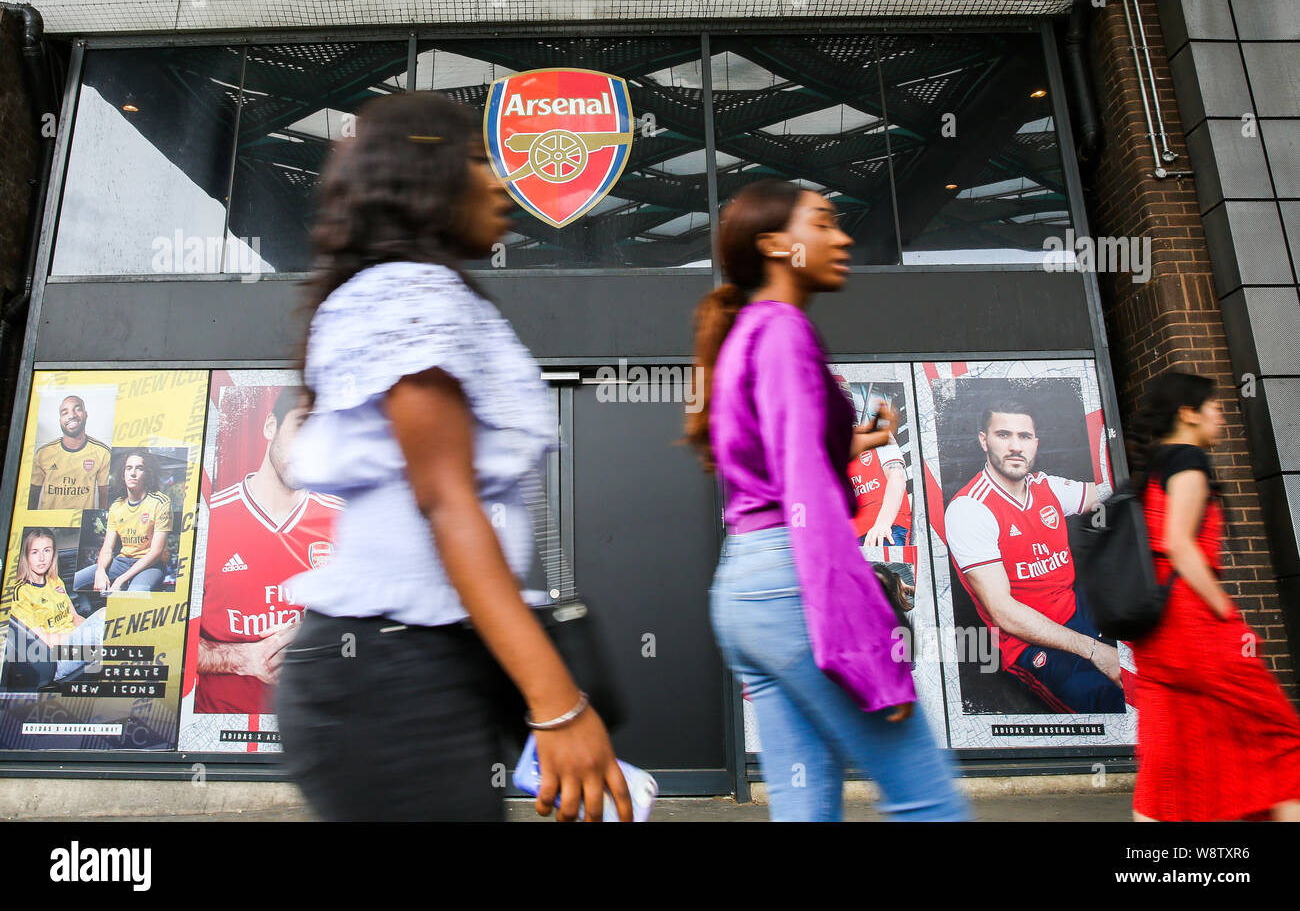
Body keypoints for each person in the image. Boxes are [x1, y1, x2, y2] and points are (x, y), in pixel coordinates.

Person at [274, 91, 631, 822]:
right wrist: (557, 706)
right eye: (476, 159)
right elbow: (447, 500)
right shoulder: (414, 295)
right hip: (389, 675)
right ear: (420, 179)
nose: (502, 181)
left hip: (403, 667)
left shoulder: (417, 296)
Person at [687, 177, 968, 821]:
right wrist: (869, 652)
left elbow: (777, 462)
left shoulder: (744, 336)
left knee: (805, 807)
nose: (842, 237)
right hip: (792, 582)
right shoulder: (784, 332)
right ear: (776, 245)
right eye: (823, 223)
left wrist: (856, 440)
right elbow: (807, 494)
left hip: (746, 588)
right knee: (928, 803)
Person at [1131, 371, 1300, 821]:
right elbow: (1179, 544)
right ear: (1188, 414)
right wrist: (1227, 614)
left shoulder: (1155, 467)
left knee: (1166, 760)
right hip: (1194, 627)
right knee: (1281, 737)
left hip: (1155, 637)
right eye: (1213, 406)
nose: (1220, 416)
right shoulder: (1188, 460)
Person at [943, 401, 1123, 714]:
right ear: (984, 440)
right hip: (1029, 642)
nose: (1015, 446)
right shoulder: (969, 509)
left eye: (1024, 437)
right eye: (1003, 435)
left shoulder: (1047, 486)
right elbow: (1005, 613)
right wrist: (1095, 650)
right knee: (1106, 700)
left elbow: (1111, 494)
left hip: (1076, 610)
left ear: (1035, 443)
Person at [195, 386, 343, 714]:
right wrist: (240, 659)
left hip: (317, 735)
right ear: (269, 426)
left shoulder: (348, 522)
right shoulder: (207, 519)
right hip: (219, 737)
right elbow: (167, 640)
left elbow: (381, 635)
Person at [74, 451, 172, 592]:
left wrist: (121, 579)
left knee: (135, 593)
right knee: (76, 580)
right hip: (123, 561)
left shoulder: (160, 502)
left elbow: (156, 552)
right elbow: (107, 547)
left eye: (139, 468)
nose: (133, 473)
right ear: (123, 474)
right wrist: (100, 571)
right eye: (129, 468)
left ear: (147, 474)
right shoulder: (116, 506)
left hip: (152, 564)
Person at [5, 528, 84, 648]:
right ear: (25, 555)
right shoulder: (20, 592)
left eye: (47, 551)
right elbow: (41, 640)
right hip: (57, 651)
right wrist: (83, 636)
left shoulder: (55, 580)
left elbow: (75, 616)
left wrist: (89, 630)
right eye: (34, 552)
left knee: (103, 614)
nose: (42, 558)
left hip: (77, 639)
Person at [29, 395, 111, 510]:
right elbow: (31, 498)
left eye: (77, 409)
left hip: (81, 525)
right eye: (65, 412)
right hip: (47, 525)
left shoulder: (103, 453)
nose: (72, 415)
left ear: (86, 415)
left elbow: (105, 499)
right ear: (60, 420)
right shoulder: (43, 453)